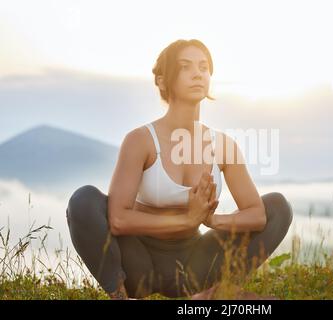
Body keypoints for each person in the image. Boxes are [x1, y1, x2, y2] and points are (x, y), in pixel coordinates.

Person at [65, 39, 293, 300]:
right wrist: (187, 219)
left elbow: (258, 216)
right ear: (162, 81)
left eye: (204, 67)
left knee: (278, 207)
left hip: (195, 266)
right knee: (83, 200)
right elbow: (118, 220)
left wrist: (212, 220)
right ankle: (119, 295)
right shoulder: (140, 140)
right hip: (139, 262)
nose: (198, 73)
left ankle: (214, 293)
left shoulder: (223, 146)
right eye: (185, 67)